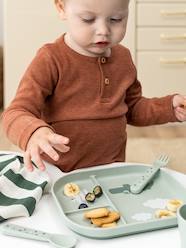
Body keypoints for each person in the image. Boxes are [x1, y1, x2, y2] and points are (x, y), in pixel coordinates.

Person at [2, 0, 186, 172]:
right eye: (88, 19)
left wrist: (168, 107)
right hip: (57, 174)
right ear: (61, 8)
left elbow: (132, 108)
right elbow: (15, 113)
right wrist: (34, 132)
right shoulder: (50, 59)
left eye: (116, 19)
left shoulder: (123, 57)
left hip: (110, 171)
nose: (103, 30)